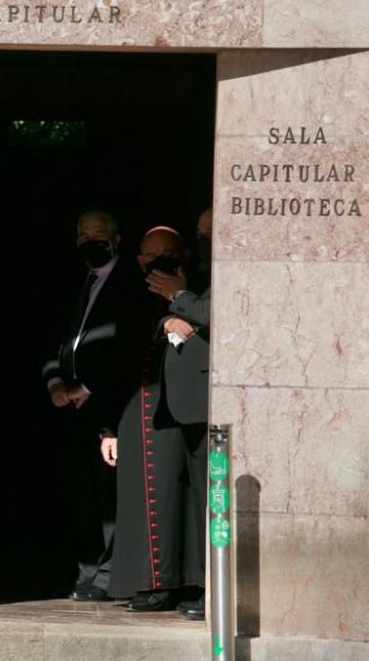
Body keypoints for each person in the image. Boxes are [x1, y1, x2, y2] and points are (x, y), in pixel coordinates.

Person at [102, 224, 207, 612]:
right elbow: (119, 356)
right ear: (139, 259)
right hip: (143, 405)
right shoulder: (126, 294)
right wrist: (108, 427)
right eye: (152, 255)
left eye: (168, 253)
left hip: (187, 405)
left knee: (184, 499)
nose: (159, 261)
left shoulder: (198, 287)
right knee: (149, 497)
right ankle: (153, 583)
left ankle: (191, 583)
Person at [43, 210, 143, 602]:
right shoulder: (77, 283)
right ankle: (86, 572)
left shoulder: (130, 284)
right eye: (83, 234)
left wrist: (88, 387)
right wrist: (55, 383)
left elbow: (126, 348)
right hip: (70, 407)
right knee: (80, 493)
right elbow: (57, 337)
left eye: (99, 234)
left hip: (107, 407)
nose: (90, 241)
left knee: (107, 496)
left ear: (117, 239)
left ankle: (108, 575)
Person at [145, 208, 213, 619]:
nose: (206, 237)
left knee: (213, 501)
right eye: (201, 231)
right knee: (199, 501)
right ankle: (205, 587)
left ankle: (216, 593)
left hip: (209, 400)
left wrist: (178, 297)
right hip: (184, 403)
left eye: (212, 230)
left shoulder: (227, 265)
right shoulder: (199, 271)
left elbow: (208, 312)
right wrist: (172, 312)